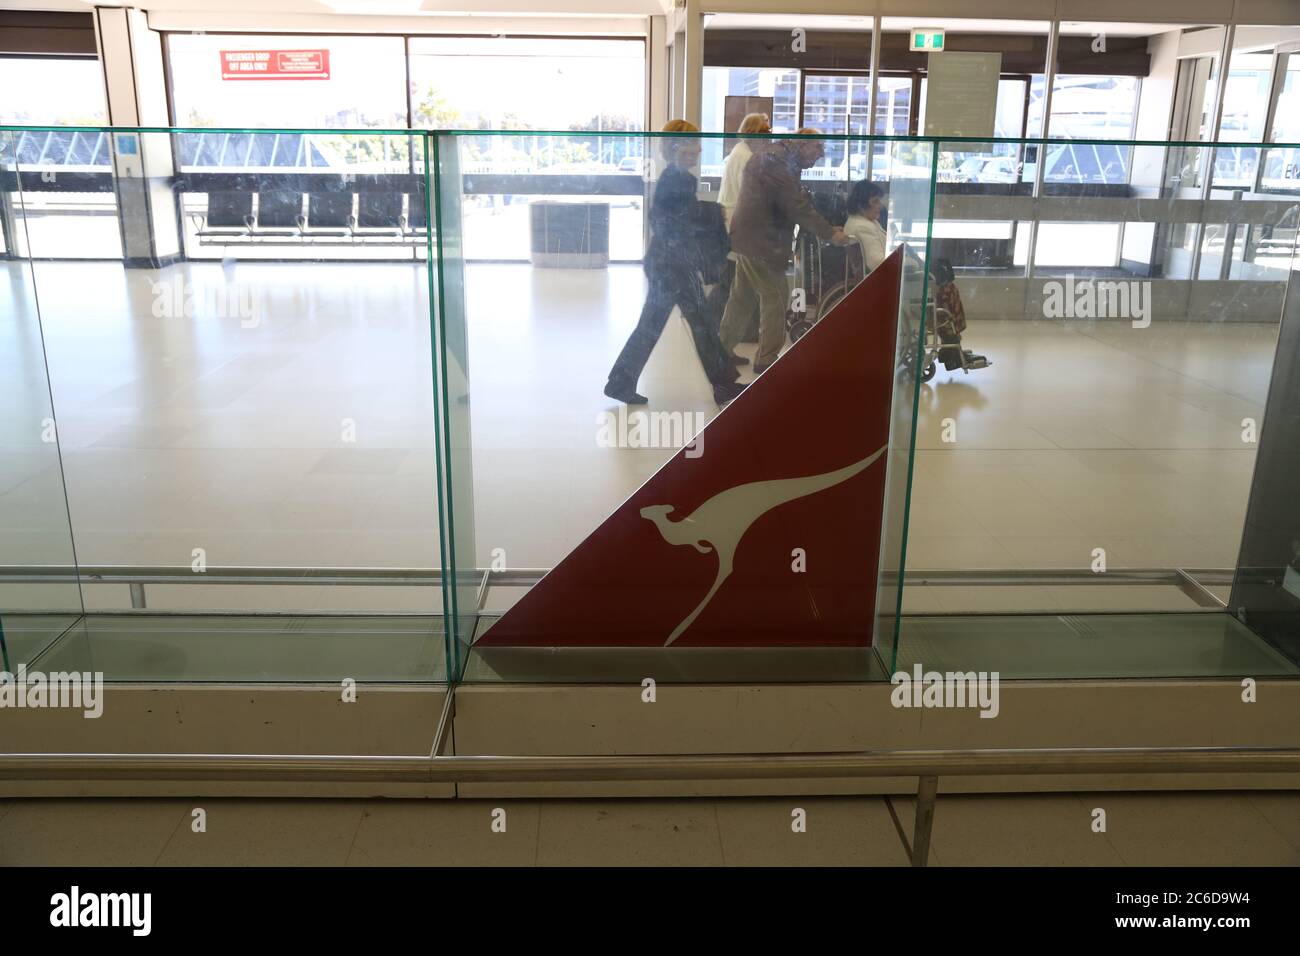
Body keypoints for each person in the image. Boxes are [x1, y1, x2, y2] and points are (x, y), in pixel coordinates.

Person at [605, 120, 745, 407]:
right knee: (700, 324)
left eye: (697, 143)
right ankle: (723, 383)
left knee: (667, 324)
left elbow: (667, 219)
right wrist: (709, 214)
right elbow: (666, 221)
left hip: (668, 263)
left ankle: (621, 382)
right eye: (692, 143)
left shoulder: (675, 176)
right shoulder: (676, 178)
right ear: (675, 147)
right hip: (673, 265)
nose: (698, 148)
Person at [719, 129, 852, 374]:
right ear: (802, 144)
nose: (821, 154)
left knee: (742, 298)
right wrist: (830, 233)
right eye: (818, 148)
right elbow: (796, 206)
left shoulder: (778, 157)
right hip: (762, 242)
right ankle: (766, 359)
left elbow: (794, 203)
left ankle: (722, 352)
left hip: (752, 238)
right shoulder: (778, 162)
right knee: (777, 298)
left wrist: (824, 227)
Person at [710, 112, 770, 344]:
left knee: (734, 278)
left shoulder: (740, 153)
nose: (768, 136)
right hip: (737, 222)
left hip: (732, 221)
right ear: (753, 132)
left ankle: (726, 328)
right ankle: (720, 326)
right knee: (734, 280)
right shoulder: (745, 158)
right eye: (765, 131)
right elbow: (751, 195)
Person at [843, 180, 888, 273]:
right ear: (861, 205)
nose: (880, 205)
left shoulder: (866, 221)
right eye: (875, 201)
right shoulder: (862, 227)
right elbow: (878, 263)